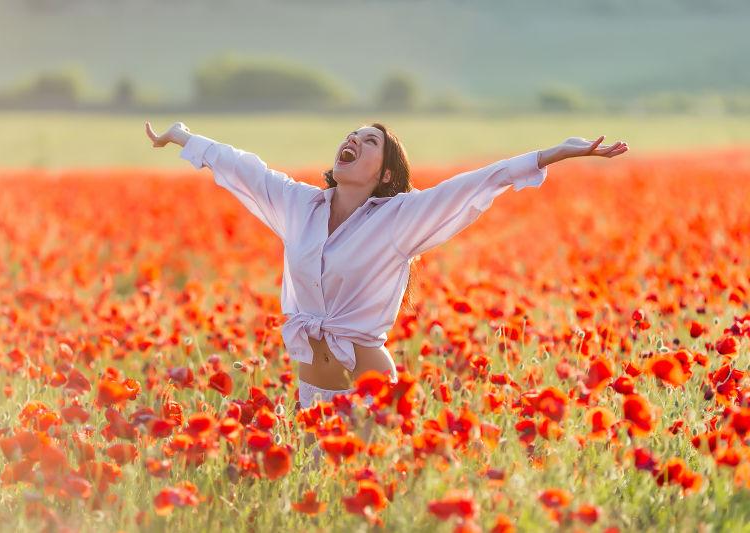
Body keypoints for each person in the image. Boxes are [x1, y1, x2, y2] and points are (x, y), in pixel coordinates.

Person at [144, 119, 628, 462]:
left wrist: (558, 152)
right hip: (312, 386)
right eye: (352, 134)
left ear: (387, 173)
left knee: (371, 491)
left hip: (369, 387)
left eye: (369, 140)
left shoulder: (400, 219)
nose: (353, 138)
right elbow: (241, 167)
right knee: (319, 499)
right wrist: (182, 136)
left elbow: (476, 182)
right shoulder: (298, 205)